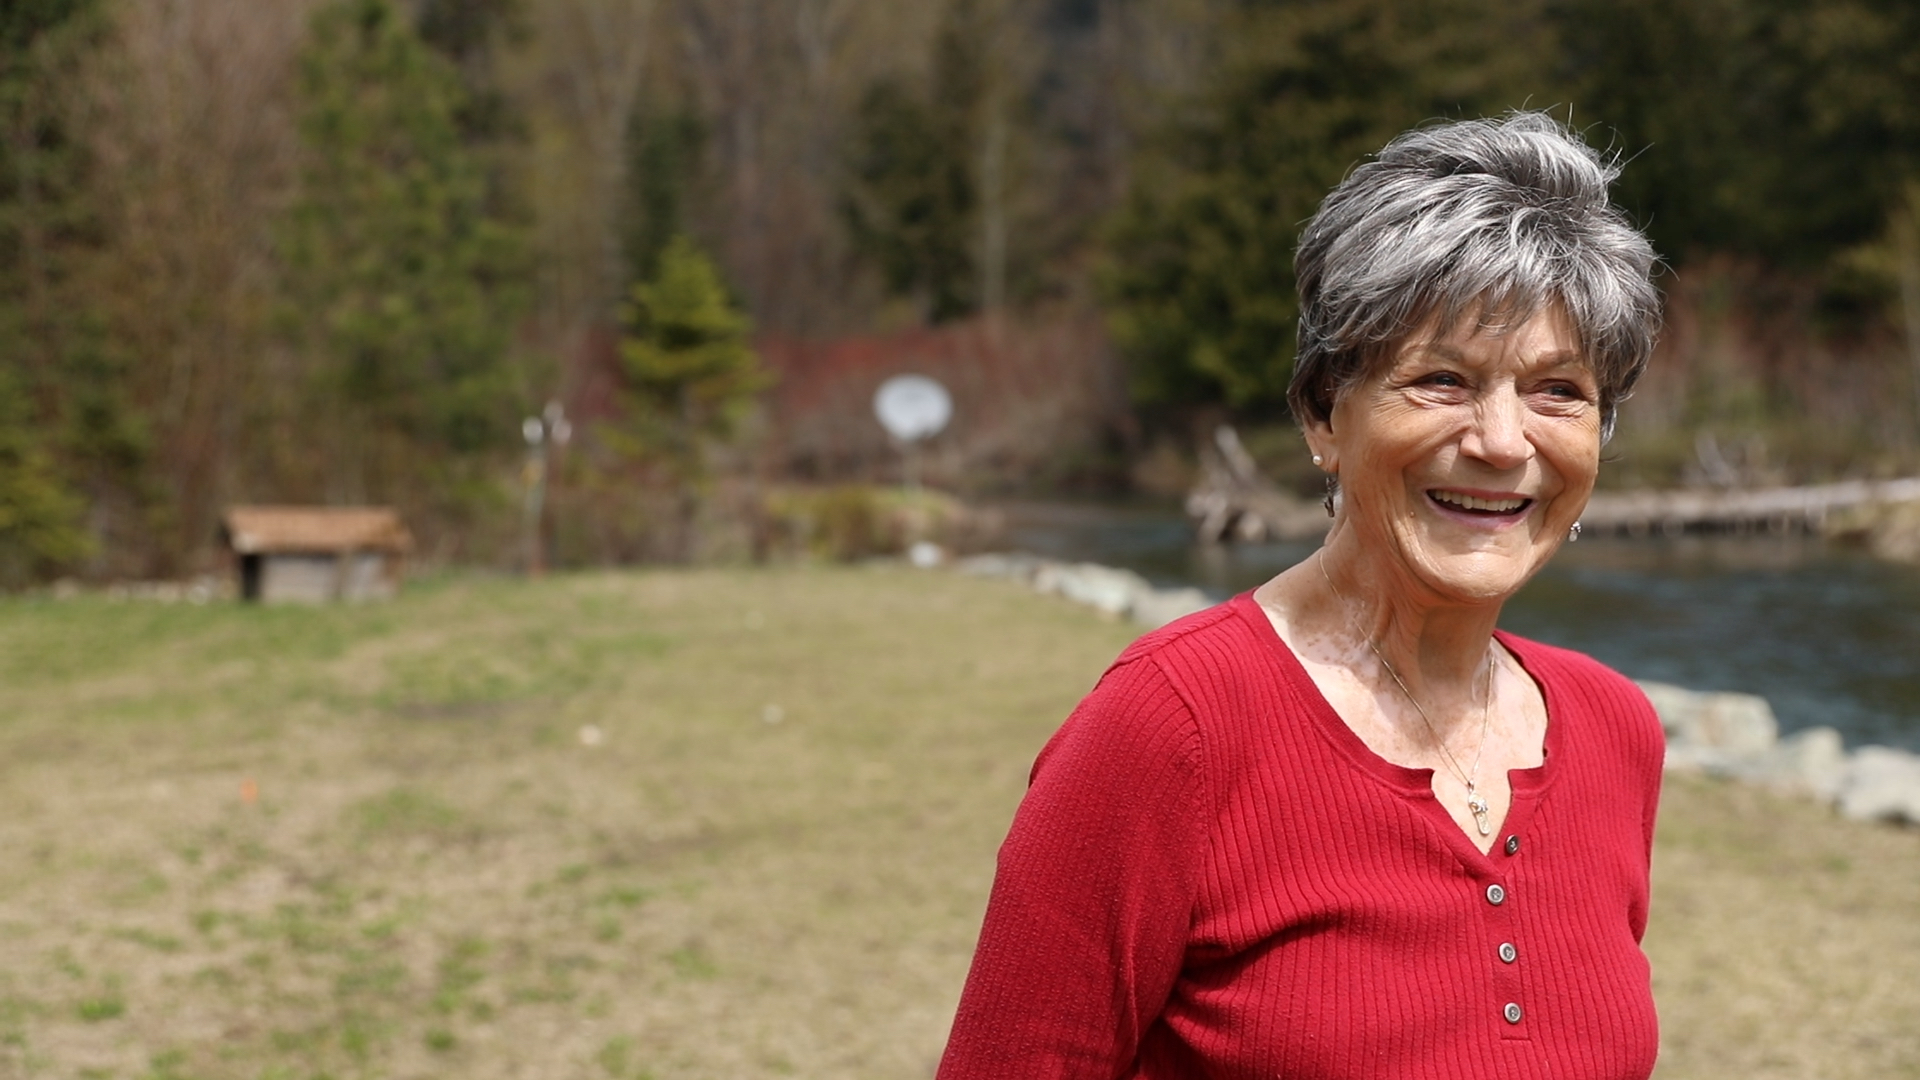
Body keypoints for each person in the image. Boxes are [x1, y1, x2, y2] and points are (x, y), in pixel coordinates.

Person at [937, 112, 1666, 1080]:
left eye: (1558, 391)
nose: (1502, 442)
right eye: (1442, 380)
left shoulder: (1616, 731)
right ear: (1324, 412)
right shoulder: (1171, 726)